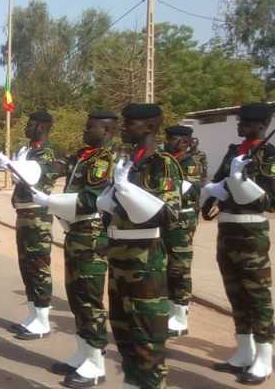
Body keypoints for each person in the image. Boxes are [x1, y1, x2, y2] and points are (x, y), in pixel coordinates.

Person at [97, 103, 182, 389]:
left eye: (129, 123)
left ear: (149, 126)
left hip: (146, 262)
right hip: (120, 257)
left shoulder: (163, 162)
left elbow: (168, 215)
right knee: (124, 337)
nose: (123, 128)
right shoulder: (128, 161)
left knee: (148, 342)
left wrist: (127, 190)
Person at [30, 110, 118, 388]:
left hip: (91, 235)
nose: (84, 130)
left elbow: (90, 199)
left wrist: (50, 201)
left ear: (106, 131)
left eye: (90, 127)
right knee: (76, 296)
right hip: (76, 233)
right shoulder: (84, 155)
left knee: (89, 299)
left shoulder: (104, 159)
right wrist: (17, 167)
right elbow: (55, 168)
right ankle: (82, 353)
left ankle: (95, 363)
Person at [207, 102, 274, 385]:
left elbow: (269, 199)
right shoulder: (235, 151)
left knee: (256, 295)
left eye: (245, 123)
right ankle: (244, 351)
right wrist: (211, 197)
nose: (240, 126)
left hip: (251, 230)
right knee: (235, 291)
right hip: (227, 228)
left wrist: (241, 183)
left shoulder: (269, 154)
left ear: (261, 125)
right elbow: (218, 180)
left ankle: (264, 356)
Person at [2, 110, 59, 341]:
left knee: (38, 268)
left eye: (31, 124)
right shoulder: (30, 150)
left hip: (37, 217)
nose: (26, 127)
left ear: (42, 127)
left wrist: (12, 165)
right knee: (26, 266)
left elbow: (32, 178)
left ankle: (43, 320)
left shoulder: (46, 153)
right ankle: (33, 314)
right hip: (24, 214)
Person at [161, 125, 202, 337]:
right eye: (168, 138)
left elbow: (191, 190)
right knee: (165, 265)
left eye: (172, 138)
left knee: (179, 266)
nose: (167, 141)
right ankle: (170, 310)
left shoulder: (190, 161)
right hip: (165, 218)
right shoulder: (163, 159)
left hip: (183, 220)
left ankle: (180, 314)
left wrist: (165, 184)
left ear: (185, 141)